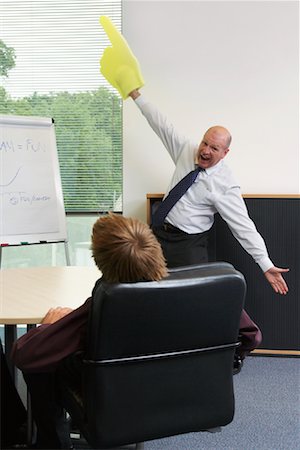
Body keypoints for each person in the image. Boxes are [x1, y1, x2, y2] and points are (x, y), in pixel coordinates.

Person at [127, 88, 290, 371]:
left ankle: (233, 347)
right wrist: (136, 95)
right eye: (205, 143)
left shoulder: (225, 184)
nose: (205, 150)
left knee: (200, 299)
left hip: (188, 244)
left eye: (214, 148)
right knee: (137, 285)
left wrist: (265, 264)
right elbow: (160, 123)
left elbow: (244, 227)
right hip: (157, 234)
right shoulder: (185, 150)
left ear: (225, 153)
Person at [10, 213, 168, 449]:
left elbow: (25, 354)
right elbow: (245, 334)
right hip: (172, 389)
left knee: (41, 360)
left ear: (98, 261)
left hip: (112, 391)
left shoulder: (104, 307)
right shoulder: (204, 289)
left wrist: (47, 327)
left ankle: (53, 443)